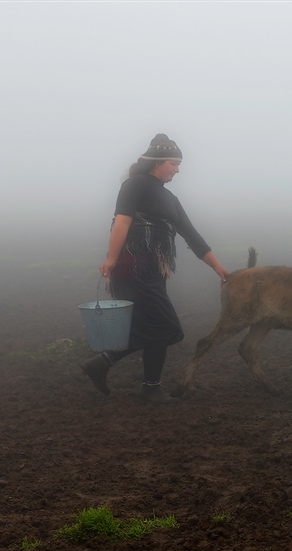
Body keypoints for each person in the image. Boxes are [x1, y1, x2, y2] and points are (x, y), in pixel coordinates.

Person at [80, 134, 230, 401]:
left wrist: (218, 267)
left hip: (154, 271)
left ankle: (147, 385)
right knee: (167, 326)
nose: (177, 169)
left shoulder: (169, 198)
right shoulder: (135, 184)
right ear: (158, 162)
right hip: (133, 267)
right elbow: (122, 223)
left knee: (153, 325)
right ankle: (111, 366)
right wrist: (112, 259)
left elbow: (191, 235)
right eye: (174, 163)